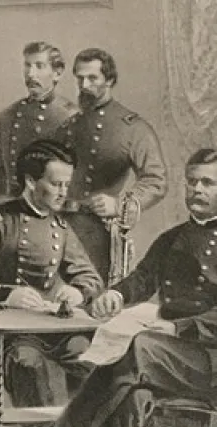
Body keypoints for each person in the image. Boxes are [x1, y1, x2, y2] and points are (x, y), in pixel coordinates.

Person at [34, 148, 217, 427]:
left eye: (207, 183)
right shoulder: (171, 238)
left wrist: (177, 329)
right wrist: (116, 294)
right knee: (126, 389)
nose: (196, 189)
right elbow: (143, 278)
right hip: (170, 352)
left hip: (214, 361)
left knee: (138, 348)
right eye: (191, 181)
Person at [0, 139, 104, 427]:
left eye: (66, 184)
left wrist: (77, 292)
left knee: (94, 360)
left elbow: (90, 278)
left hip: (52, 329)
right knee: (29, 364)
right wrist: (7, 294)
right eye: (56, 184)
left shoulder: (60, 226)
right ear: (32, 181)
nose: (63, 192)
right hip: (6, 333)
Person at [53, 48, 167, 280]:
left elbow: (156, 181)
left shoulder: (132, 128)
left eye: (93, 78)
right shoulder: (68, 127)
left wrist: (119, 205)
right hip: (58, 226)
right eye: (80, 78)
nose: (84, 85)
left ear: (110, 80)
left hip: (97, 233)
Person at [0, 42, 80, 196]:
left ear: (57, 73)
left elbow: (77, 180)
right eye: (27, 65)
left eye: (39, 66)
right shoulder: (8, 115)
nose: (31, 74)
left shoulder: (72, 117)